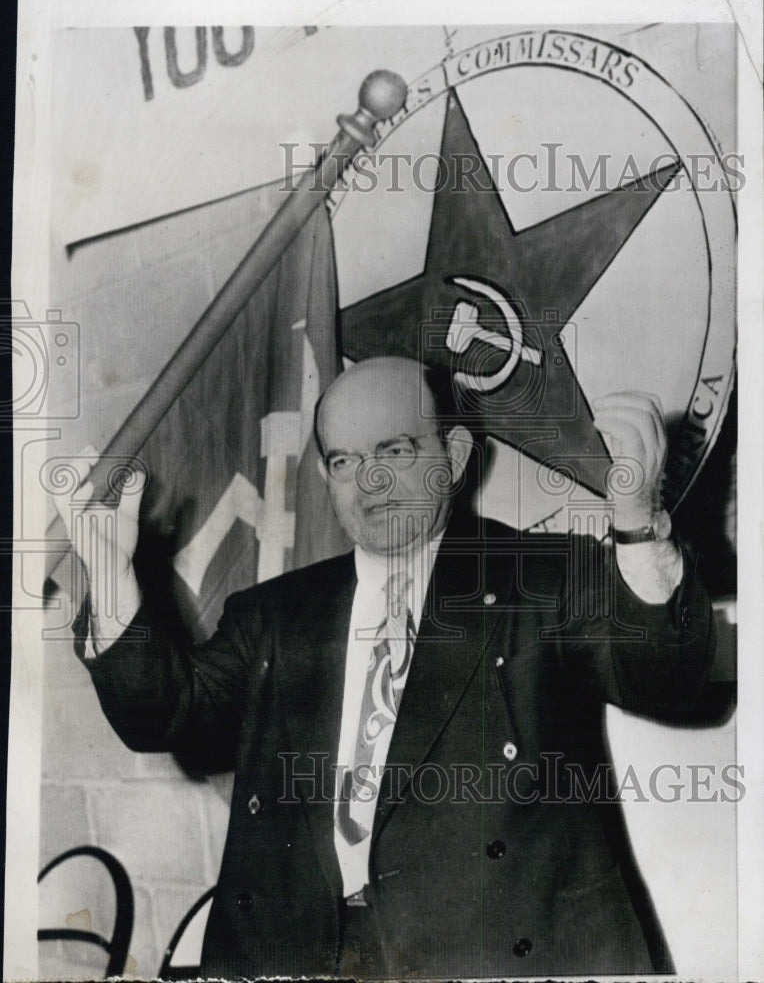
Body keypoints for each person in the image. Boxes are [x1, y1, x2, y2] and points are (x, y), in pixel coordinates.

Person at [58, 356, 715, 979]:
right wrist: (113, 582)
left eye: (395, 451)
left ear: (453, 458)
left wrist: (638, 526)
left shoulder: (546, 576)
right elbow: (163, 714)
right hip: (303, 953)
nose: (368, 481)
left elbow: (665, 677)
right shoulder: (276, 614)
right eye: (345, 461)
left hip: (491, 950)